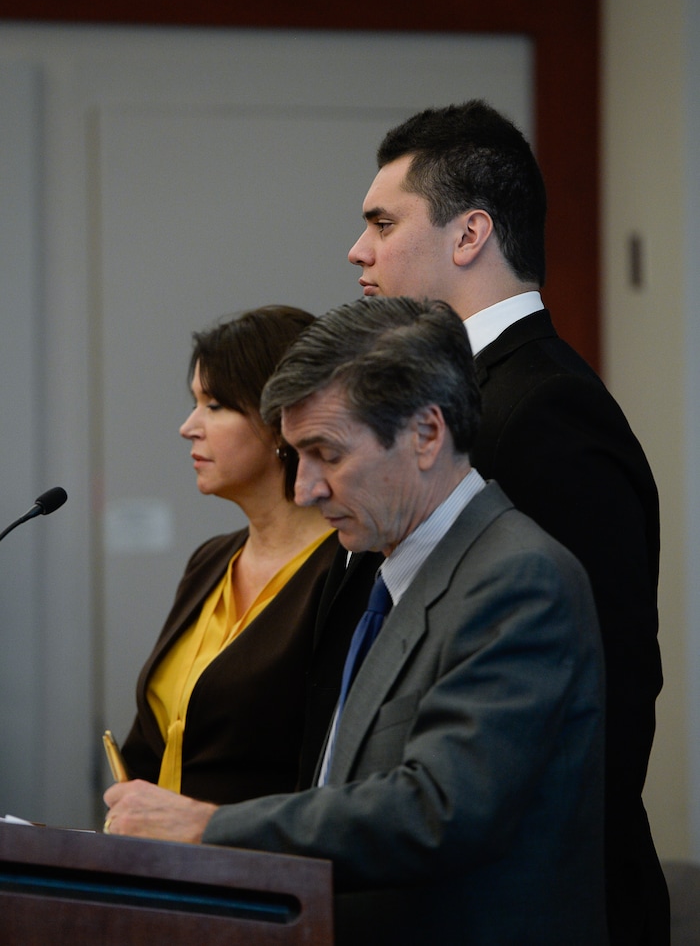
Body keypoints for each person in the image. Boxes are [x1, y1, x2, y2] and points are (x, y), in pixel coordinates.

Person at [105, 296, 607, 946]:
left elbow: (438, 809)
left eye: (327, 454)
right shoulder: (384, 572)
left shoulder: (517, 578)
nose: (305, 488)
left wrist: (207, 825)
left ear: (427, 433)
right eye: (296, 454)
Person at [344, 101, 667, 945]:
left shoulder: (546, 411)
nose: (359, 250)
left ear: (469, 234)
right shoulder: (461, 396)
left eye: (383, 221)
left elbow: (609, 690)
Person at [119, 305, 339, 804]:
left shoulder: (348, 569)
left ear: (284, 417)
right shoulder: (210, 560)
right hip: (156, 866)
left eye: (214, 405)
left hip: (259, 868)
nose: (188, 427)